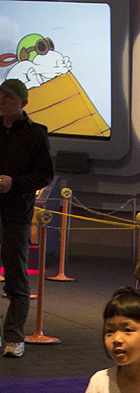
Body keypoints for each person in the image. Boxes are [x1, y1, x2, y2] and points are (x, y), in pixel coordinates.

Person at [0, 78, 54, 357]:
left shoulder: (35, 134)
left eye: (8, 96)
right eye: (0, 95)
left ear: (23, 102)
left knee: (16, 277)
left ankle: (14, 337)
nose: (2, 101)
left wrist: (14, 183)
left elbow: (44, 175)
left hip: (17, 212)